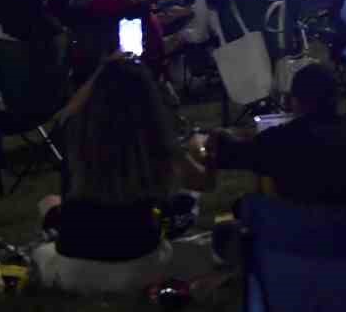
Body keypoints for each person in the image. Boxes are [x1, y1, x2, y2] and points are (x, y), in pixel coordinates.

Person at [32, 59, 216, 294]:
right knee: (206, 253)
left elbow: (67, 112)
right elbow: (205, 183)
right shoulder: (157, 144)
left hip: (73, 272)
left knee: (48, 209)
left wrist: (104, 69)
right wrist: (202, 151)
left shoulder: (75, 137)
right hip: (139, 269)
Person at [208, 63, 346, 206]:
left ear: (296, 101)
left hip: (303, 242)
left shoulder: (282, 140)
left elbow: (228, 156)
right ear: (337, 97)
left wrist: (222, 137)